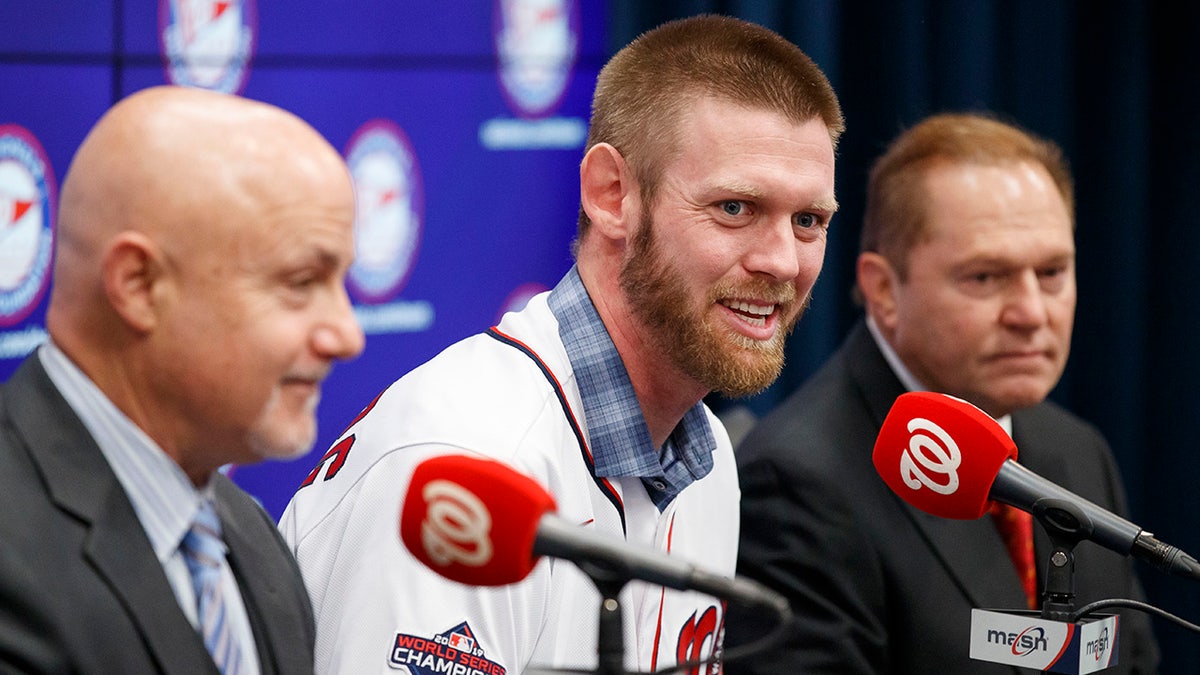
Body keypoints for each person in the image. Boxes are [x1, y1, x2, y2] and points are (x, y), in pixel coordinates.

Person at [279, 14, 843, 675]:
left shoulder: (707, 454)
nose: (782, 261)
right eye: (735, 208)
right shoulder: (463, 460)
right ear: (612, 196)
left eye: (808, 220)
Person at [727, 113, 1160, 673]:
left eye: (1052, 272)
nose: (1031, 313)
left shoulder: (1076, 449)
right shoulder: (798, 482)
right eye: (985, 277)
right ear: (883, 289)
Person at [0, 85, 365, 673]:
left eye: (342, 281)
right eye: (300, 283)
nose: (347, 336)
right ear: (138, 286)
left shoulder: (252, 541)